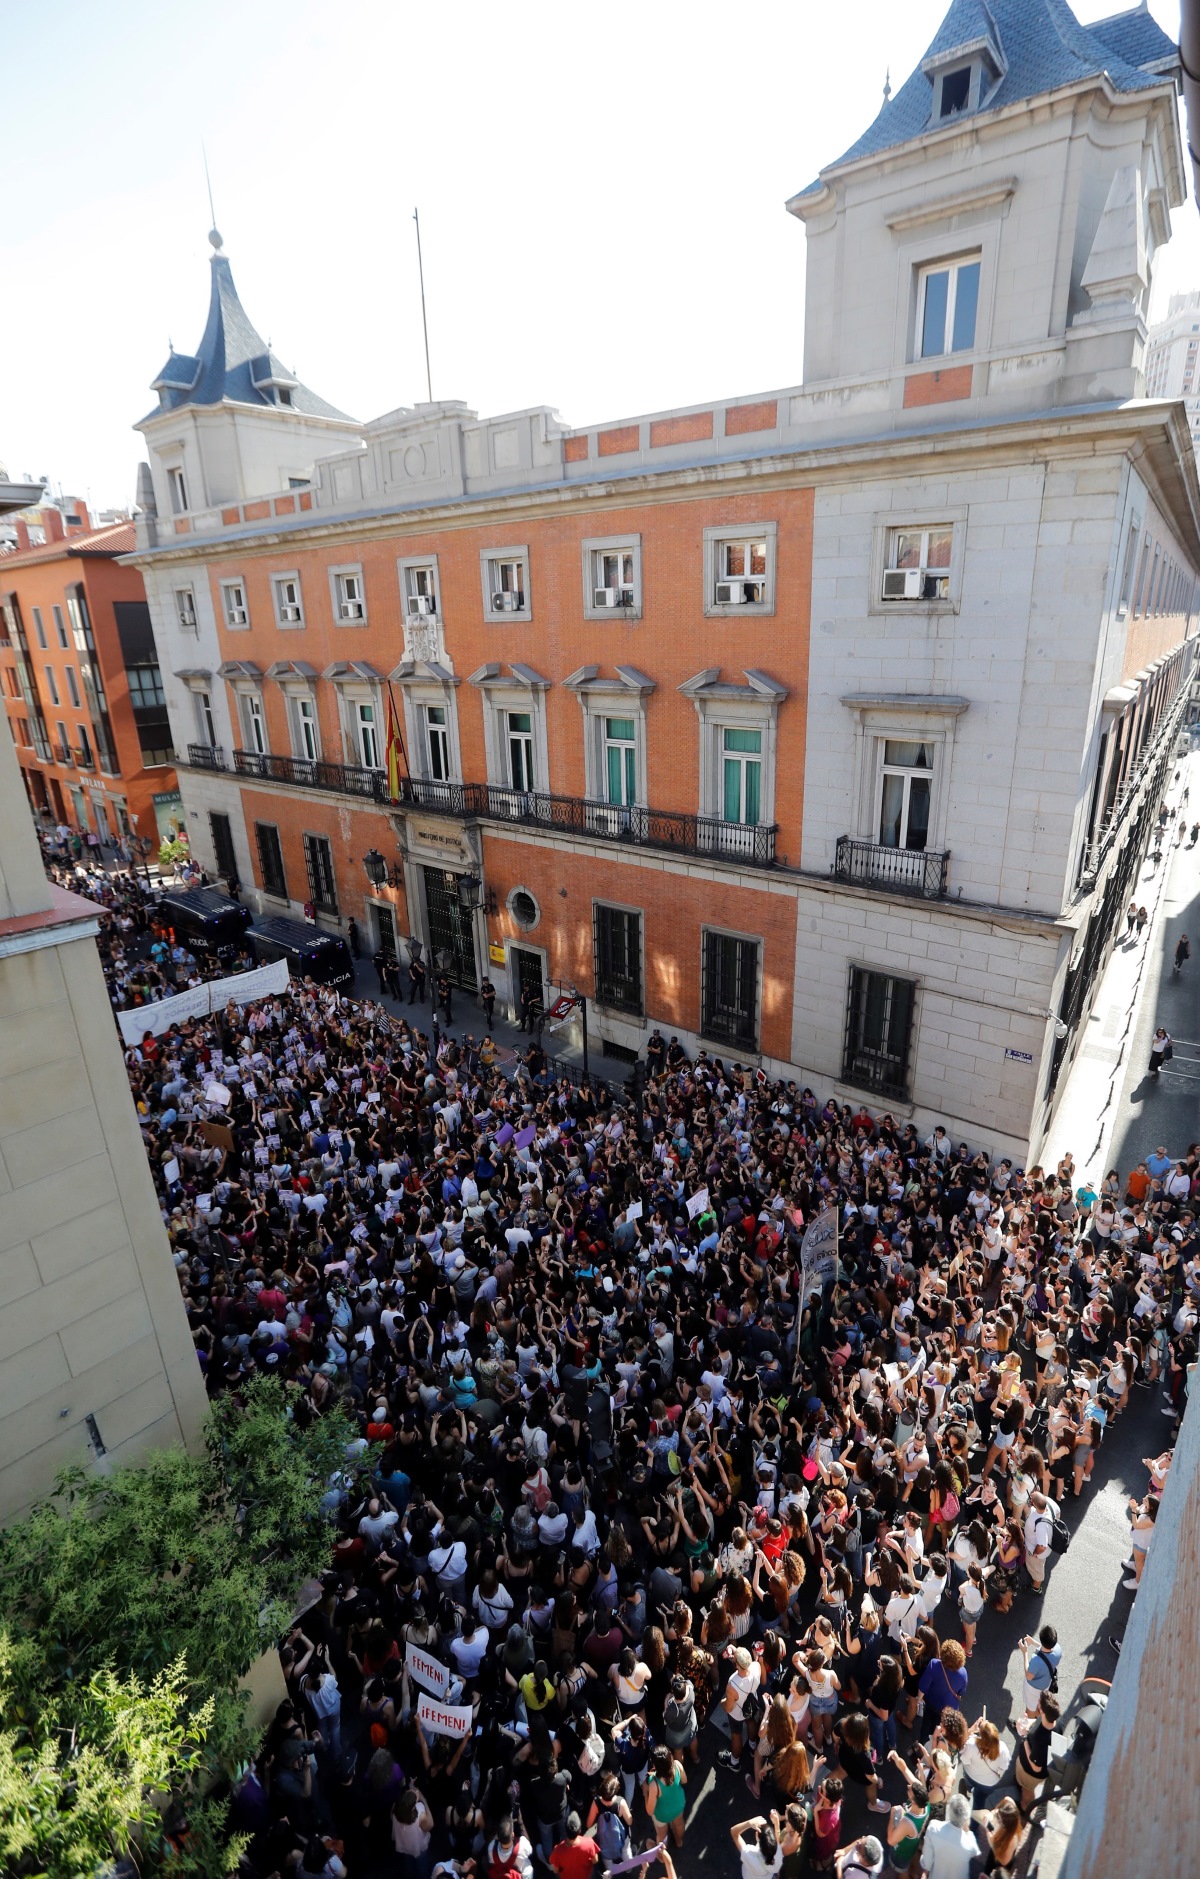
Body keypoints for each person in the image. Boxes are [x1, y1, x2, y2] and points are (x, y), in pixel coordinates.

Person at [918, 1793, 977, 1878]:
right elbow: (975, 1851)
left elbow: (927, 1863)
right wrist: (967, 1828)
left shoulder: (934, 1827)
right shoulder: (969, 1842)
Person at [731, 1813, 784, 1879]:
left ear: (757, 1836)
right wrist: (776, 1824)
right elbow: (777, 1844)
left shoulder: (749, 1854)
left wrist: (749, 1823)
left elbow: (734, 1832)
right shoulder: (777, 1853)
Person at [549, 1813, 600, 1879]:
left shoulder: (557, 1850)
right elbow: (595, 1860)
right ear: (579, 1830)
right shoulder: (589, 1843)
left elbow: (555, 1870)